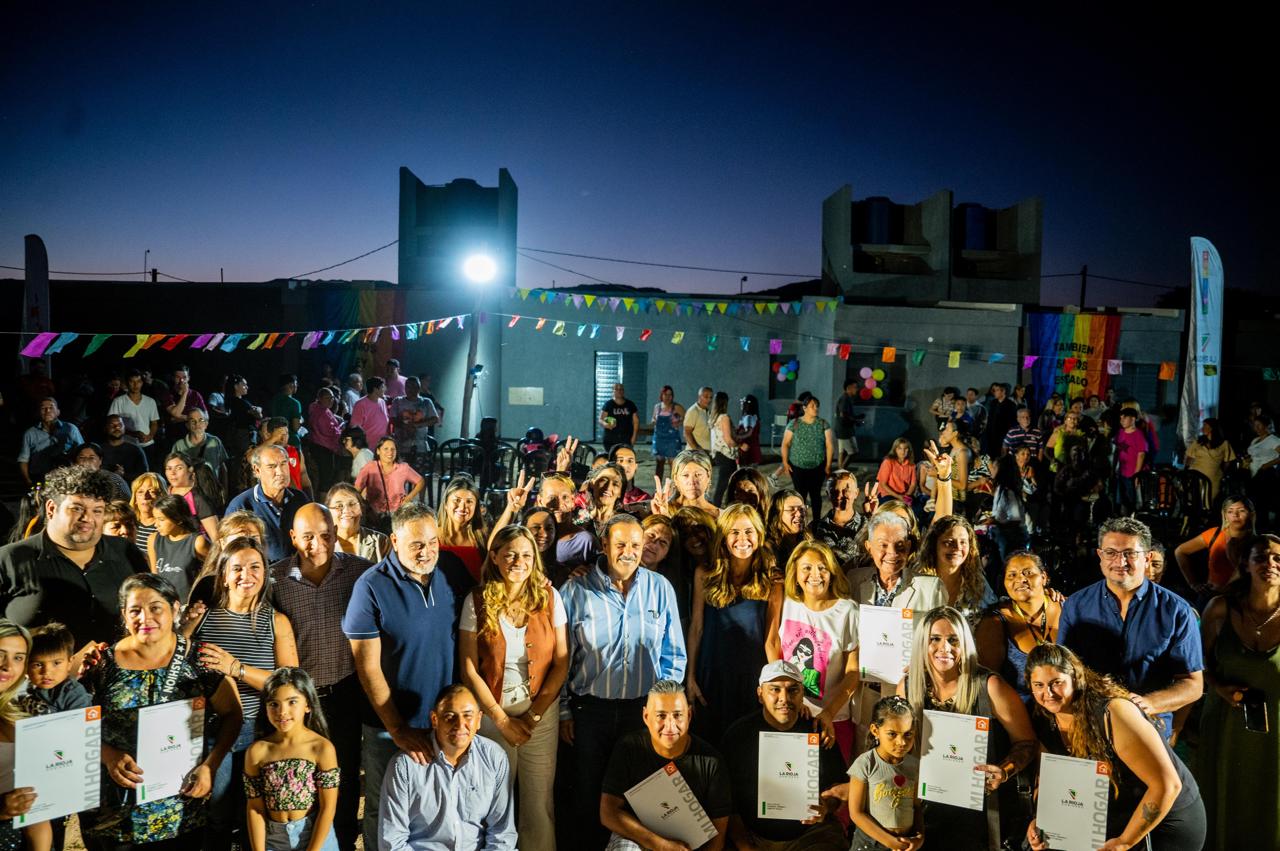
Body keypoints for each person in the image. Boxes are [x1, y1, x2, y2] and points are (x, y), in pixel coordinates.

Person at [341, 503, 473, 851]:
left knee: (441, 805)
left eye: (432, 542)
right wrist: (398, 729)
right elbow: (367, 667)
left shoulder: (451, 569)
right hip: (390, 726)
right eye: (416, 544)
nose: (426, 552)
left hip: (445, 720)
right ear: (394, 541)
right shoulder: (370, 587)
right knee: (386, 807)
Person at [559, 513, 687, 849]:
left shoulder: (660, 589)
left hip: (642, 712)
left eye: (635, 545)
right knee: (588, 797)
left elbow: (674, 655)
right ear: (604, 545)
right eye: (620, 545)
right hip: (590, 712)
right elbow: (561, 660)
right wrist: (564, 712)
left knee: (642, 798)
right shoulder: (575, 591)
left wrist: (664, 713)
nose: (628, 552)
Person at [88, 573, 243, 849]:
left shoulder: (201, 660)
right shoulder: (101, 665)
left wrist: (210, 766)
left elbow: (233, 714)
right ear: (124, 615)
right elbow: (75, 723)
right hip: (115, 811)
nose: (145, 618)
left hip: (180, 809)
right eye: (135, 610)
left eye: (155, 608)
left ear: (175, 609)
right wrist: (107, 755)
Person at [1024, 644, 1206, 851]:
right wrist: (1044, 821)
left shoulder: (1113, 713)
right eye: (1038, 685)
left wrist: (1124, 842)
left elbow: (1167, 785)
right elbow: (1054, 783)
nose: (1048, 693)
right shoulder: (1044, 718)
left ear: (1075, 678)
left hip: (1165, 818)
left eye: (1056, 683)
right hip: (1117, 813)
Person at [458, 525, 570, 849]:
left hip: (541, 716)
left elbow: (561, 662)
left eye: (526, 555)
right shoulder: (476, 600)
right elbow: (468, 668)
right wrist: (501, 719)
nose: (519, 562)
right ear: (494, 557)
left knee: (539, 804)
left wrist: (533, 716)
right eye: (510, 555)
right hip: (492, 716)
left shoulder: (550, 598)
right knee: (492, 803)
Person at [184, 538, 299, 850]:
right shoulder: (203, 618)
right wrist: (184, 629)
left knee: (254, 815)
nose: (246, 575)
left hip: (259, 731)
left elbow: (290, 685)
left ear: (265, 574)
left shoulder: (276, 621)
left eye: (254, 567)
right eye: (237, 568)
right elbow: (174, 666)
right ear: (223, 575)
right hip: (208, 731)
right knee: (216, 816)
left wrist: (237, 668)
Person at [271, 503, 372, 851]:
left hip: (345, 690)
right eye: (309, 537)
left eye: (326, 535)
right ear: (293, 537)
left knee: (343, 775)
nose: (319, 545)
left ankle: (343, 842)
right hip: (300, 698)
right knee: (301, 777)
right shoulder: (276, 579)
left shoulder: (358, 571)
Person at [899, 607, 1038, 850]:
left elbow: (1027, 743)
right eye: (935, 639)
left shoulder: (989, 686)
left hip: (981, 812)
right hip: (928, 807)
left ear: (965, 644)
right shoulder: (908, 687)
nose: (945, 648)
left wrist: (1004, 771)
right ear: (922, 643)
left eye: (953, 640)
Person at [1056, 517, 1203, 739]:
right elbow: (1064, 672)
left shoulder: (1177, 611)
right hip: (1091, 726)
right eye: (1111, 552)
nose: (1120, 561)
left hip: (1149, 728)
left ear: (1147, 558)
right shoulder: (1076, 606)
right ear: (1100, 556)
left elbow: (1193, 684)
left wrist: (1147, 703)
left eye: (1129, 553)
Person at [0, 465, 147, 648]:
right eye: (77, 508)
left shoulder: (126, 552)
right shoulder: (9, 559)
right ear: (51, 508)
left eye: (97, 510)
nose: (88, 518)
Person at [1196, 532, 1280, 846]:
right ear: (1246, 564)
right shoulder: (1220, 609)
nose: (1270, 564)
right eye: (1261, 557)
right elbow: (1197, 665)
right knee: (1224, 800)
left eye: (1278, 558)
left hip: (1277, 730)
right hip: (1227, 725)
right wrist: (1218, 687)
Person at [720, 661, 847, 850]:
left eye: (793, 690)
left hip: (811, 835)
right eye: (775, 689)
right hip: (754, 837)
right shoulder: (738, 735)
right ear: (760, 694)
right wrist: (743, 844)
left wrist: (826, 806)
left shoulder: (819, 732)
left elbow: (839, 786)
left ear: (802, 694)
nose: (784, 698)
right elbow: (725, 800)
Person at [377, 684, 516, 851]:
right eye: (450, 716)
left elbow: (502, 832)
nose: (460, 724)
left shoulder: (494, 757)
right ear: (435, 719)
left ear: (479, 719)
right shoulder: (405, 766)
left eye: (468, 715)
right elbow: (392, 842)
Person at [599, 680, 732, 851]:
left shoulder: (711, 762)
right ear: (646, 717)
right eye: (661, 716)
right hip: (638, 837)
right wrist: (661, 845)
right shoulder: (628, 747)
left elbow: (718, 836)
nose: (670, 726)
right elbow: (608, 812)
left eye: (677, 715)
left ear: (689, 715)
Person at [688, 504, 781, 739]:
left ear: (759, 535)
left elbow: (771, 640)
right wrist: (690, 678)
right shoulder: (705, 573)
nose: (743, 539)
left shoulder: (772, 580)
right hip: (711, 674)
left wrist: (776, 686)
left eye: (749, 531)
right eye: (735, 532)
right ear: (723, 537)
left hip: (751, 676)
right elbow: (696, 628)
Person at [767, 541, 859, 757]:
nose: (815, 575)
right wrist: (789, 697)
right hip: (790, 713)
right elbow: (772, 644)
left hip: (834, 718)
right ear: (796, 573)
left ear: (832, 572)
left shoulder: (848, 611)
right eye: (807, 568)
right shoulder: (786, 600)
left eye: (822, 568)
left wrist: (828, 713)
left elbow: (853, 672)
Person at [244, 668, 340, 851]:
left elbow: (328, 807)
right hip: (274, 841)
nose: (282, 712)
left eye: (292, 702)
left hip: (317, 839)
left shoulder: (321, 748)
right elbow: (255, 807)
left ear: (308, 705)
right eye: (274, 704)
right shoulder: (257, 751)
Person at [823, 695, 923, 851]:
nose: (902, 742)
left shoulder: (914, 766)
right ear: (875, 730)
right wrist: (890, 842)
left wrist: (919, 836)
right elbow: (856, 813)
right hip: (869, 845)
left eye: (908, 734)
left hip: (905, 845)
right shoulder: (865, 764)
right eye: (892, 734)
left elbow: (916, 807)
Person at [976, 552, 1062, 705]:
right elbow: (986, 685)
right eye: (1012, 575)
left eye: (1028, 573)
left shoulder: (1069, 608)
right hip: (1021, 712)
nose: (1020, 579)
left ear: (1044, 577)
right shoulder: (995, 622)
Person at [0, 620, 53, 851]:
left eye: (18, 658)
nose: (7, 666)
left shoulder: (20, 715)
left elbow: (36, 803)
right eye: (0, 654)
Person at [225, 445, 308, 563]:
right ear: (257, 470)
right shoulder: (240, 506)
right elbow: (232, 554)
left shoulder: (300, 499)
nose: (280, 472)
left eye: (283, 464)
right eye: (271, 466)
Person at [916, 515, 997, 629]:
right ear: (934, 546)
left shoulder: (978, 583)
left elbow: (993, 620)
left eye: (963, 542)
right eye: (949, 542)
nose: (957, 547)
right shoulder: (917, 583)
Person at [1173, 495, 1255, 599]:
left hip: (1242, 597)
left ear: (1251, 514)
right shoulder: (1214, 534)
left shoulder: (1257, 542)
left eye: (1241, 511)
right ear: (1224, 515)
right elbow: (1180, 551)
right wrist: (1193, 584)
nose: (1235, 515)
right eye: (1230, 511)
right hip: (1211, 595)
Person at [20, 620, 94, 714]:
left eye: (56, 663)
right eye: (38, 665)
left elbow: (81, 721)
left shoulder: (73, 695)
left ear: (69, 663)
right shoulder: (23, 684)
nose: (46, 672)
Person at [147, 495, 211, 602]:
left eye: (161, 519)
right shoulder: (153, 540)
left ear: (178, 519)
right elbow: (155, 576)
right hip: (165, 603)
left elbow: (215, 569)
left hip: (190, 604)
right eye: (155, 518)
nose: (156, 524)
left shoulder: (197, 542)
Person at [780, 395, 833, 521]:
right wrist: (785, 462)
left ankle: (816, 523)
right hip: (797, 467)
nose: (816, 408)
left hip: (817, 466)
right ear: (804, 408)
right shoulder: (794, 424)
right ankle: (800, 522)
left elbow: (829, 445)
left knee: (816, 495)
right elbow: (785, 443)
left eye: (817, 406)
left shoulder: (823, 424)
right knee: (800, 496)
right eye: (812, 406)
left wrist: (828, 465)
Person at [17, 396, 83, 485]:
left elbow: (82, 452)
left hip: (66, 477)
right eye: (43, 408)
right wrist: (28, 480)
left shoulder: (71, 429)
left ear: (58, 412)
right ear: (38, 413)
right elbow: (23, 459)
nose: (47, 410)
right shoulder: (30, 433)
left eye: (51, 407)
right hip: (39, 477)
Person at [354, 436, 424, 519]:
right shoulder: (369, 468)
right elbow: (356, 490)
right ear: (378, 451)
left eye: (393, 449)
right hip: (374, 515)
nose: (390, 452)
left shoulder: (403, 468)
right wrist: (364, 506)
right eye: (386, 449)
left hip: (398, 514)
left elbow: (421, 481)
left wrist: (408, 499)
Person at [813, 470, 872, 567]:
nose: (840, 496)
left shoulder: (868, 523)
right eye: (834, 491)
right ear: (828, 494)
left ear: (856, 493)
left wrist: (873, 516)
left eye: (846, 490)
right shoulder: (815, 528)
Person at [436, 475, 489, 582]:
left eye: (469, 502)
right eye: (457, 500)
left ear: (476, 507)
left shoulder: (481, 538)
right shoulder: (431, 536)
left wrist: (511, 508)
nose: (462, 507)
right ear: (446, 504)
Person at [108, 369, 161, 466]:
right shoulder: (118, 401)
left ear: (142, 383)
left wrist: (150, 436)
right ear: (127, 383)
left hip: (148, 445)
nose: (135, 385)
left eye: (138, 381)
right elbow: (111, 424)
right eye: (132, 381)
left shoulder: (150, 401)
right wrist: (134, 434)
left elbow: (154, 423)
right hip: (127, 444)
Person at [164, 451, 221, 540]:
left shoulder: (198, 499)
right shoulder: (165, 493)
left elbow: (215, 537)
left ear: (190, 470)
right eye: (169, 468)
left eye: (179, 468)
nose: (172, 473)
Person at [652, 449, 720, 519]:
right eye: (685, 475)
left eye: (698, 475)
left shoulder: (720, 516)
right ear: (676, 479)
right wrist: (662, 518)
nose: (692, 482)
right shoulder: (664, 510)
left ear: (708, 476)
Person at [388, 376, 439, 468]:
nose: (410, 389)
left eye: (414, 386)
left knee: (418, 473)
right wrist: (405, 426)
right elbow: (392, 419)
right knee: (401, 473)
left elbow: (435, 419)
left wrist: (417, 425)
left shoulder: (426, 402)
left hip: (420, 446)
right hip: (401, 446)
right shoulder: (398, 401)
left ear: (419, 388)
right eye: (408, 386)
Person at [172, 409, 230, 489]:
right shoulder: (178, 446)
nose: (197, 424)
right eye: (193, 421)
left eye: (201, 420)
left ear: (206, 424)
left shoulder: (215, 441)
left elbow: (223, 467)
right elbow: (173, 472)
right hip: (189, 491)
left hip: (213, 491)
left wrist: (225, 490)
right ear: (187, 425)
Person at [1182, 416, 1236, 501]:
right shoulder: (1198, 442)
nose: (1202, 428)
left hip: (1213, 476)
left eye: (1205, 426)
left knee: (1209, 500)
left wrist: (1220, 471)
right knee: (1193, 498)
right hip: (1195, 474)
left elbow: (1228, 461)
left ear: (1212, 428)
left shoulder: (1224, 444)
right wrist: (1186, 470)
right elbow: (1189, 457)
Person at [306, 388, 346, 497]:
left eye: (332, 398)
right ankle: (322, 502)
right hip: (323, 449)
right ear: (319, 399)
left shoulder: (323, 410)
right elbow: (328, 431)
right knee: (325, 479)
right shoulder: (320, 413)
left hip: (324, 448)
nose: (330, 400)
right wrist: (340, 429)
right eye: (327, 398)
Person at [764, 490, 810, 585]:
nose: (799, 514)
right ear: (777, 514)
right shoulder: (768, 548)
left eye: (801, 509)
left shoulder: (809, 539)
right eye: (791, 510)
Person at [159, 365, 208, 451]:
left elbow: (206, 416)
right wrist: (185, 392)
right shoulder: (167, 394)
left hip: (193, 437)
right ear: (173, 378)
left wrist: (182, 418)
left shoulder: (196, 395)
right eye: (178, 377)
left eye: (184, 377)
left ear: (188, 378)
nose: (181, 380)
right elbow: (176, 413)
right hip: (173, 438)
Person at [708, 391, 741, 506]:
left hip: (718, 454)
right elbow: (728, 439)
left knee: (726, 483)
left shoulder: (713, 417)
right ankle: (718, 507)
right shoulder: (724, 417)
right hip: (726, 454)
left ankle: (723, 505)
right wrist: (740, 446)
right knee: (724, 484)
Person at [100, 413, 150, 483]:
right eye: (112, 425)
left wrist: (124, 475)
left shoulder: (135, 450)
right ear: (106, 428)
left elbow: (144, 474)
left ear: (124, 427)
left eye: (120, 425)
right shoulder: (99, 450)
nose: (116, 427)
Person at [650, 385, 685, 480]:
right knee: (659, 463)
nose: (668, 397)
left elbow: (686, 418)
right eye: (665, 394)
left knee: (672, 463)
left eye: (670, 395)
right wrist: (654, 421)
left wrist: (678, 423)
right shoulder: (657, 407)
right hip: (659, 438)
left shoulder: (677, 407)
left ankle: (674, 485)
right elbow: (653, 418)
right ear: (661, 395)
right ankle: (658, 486)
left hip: (672, 438)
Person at [130, 471, 166, 554]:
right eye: (140, 492)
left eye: (152, 491)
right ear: (135, 499)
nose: (145, 496)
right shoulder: (128, 524)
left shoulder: (166, 526)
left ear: (162, 496)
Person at [349, 378, 390, 448]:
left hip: (382, 446)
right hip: (367, 447)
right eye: (382, 387)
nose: (385, 389)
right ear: (375, 389)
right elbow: (355, 428)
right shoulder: (360, 404)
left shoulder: (382, 402)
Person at [600, 382, 639, 452]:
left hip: (626, 439)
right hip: (610, 439)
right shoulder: (608, 404)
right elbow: (601, 419)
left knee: (624, 457)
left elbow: (636, 422)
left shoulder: (630, 404)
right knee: (612, 458)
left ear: (623, 391)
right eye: (616, 389)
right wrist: (605, 424)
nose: (619, 391)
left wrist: (634, 437)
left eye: (621, 389)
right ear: (613, 391)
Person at [268, 374, 304, 450]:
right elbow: (296, 427)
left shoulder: (273, 400)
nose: (297, 386)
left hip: (274, 440)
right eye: (296, 383)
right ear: (291, 384)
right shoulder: (294, 403)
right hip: (291, 441)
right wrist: (301, 420)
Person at [876, 439, 916, 504]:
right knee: (895, 506)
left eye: (905, 448)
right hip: (887, 494)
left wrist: (906, 496)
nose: (903, 451)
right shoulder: (888, 462)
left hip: (904, 495)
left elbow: (913, 484)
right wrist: (898, 497)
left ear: (909, 450)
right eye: (899, 448)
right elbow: (883, 484)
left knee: (917, 507)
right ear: (895, 449)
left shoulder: (911, 465)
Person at [835, 379, 860, 468]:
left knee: (842, 452)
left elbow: (846, 414)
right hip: (845, 430)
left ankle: (840, 472)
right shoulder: (845, 399)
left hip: (842, 429)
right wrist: (855, 421)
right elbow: (843, 414)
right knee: (853, 452)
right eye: (855, 387)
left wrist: (856, 417)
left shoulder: (846, 398)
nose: (857, 389)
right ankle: (842, 471)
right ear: (849, 388)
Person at [735, 394, 763, 467]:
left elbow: (749, 433)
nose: (742, 404)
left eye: (743, 402)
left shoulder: (748, 418)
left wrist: (736, 437)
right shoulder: (754, 417)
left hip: (748, 450)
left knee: (745, 471)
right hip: (753, 449)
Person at [685, 385, 715, 452]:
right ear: (699, 397)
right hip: (696, 454)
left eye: (711, 397)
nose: (709, 400)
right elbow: (687, 433)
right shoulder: (693, 411)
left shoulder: (708, 412)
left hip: (707, 452)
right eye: (706, 397)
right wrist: (697, 449)